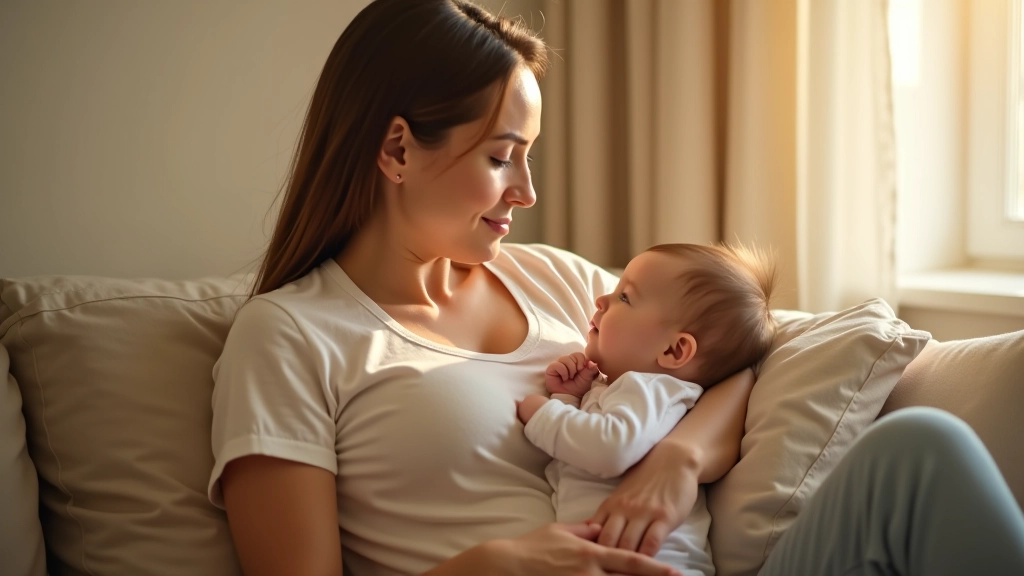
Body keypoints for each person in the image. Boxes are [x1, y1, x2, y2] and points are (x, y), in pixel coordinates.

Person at [207, 1, 1024, 575]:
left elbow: (733, 358)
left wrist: (679, 455)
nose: (526, 191)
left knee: (924, 452)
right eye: (501, 157)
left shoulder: (556, 279)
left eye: (527, 155)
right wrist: (494, 567)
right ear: (395, 150)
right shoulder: (289, 337)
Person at [515, 243, 778, 576]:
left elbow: (611, 448)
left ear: (674, 349)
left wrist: (541, 412)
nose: (602, 300)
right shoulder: (625, 388)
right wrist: (568, 398)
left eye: (625, 297)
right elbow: (583, 454)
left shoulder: (651, 388)